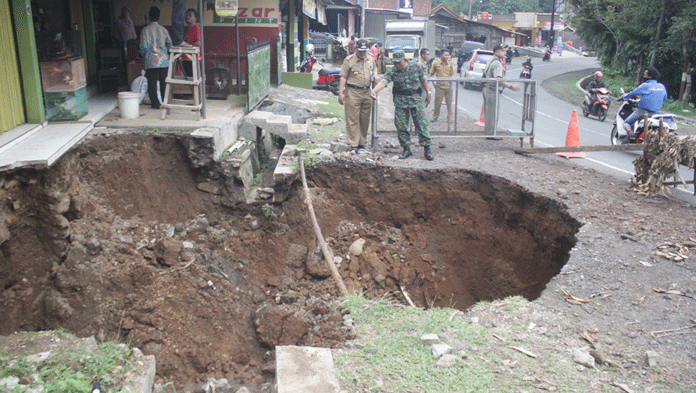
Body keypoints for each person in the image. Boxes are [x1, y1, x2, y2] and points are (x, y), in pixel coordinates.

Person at [371, 50, 434, 161]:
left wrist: (428, 93)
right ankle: (406, 149)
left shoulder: (415, 67)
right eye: (394, 63)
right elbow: (384, 81)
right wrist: (374, 91)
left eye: (398, 63)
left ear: (404, 60)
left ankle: (427, 149)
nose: (396, 65)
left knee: (421, 124)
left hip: (415, 100)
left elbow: (423, 80)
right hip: (401, 101)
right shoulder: (393, 70)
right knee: (401, 126)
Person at [338, 39, 380, 152]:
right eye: (360, 51)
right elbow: (343, 77)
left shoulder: (370, 58)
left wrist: (375, 75)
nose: (362, 53)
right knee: (352, 118)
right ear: (355, 49)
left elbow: (375, 68)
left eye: (364, 51)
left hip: (367, 92)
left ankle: (362, 142)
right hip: (353, 92)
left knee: (365, 118)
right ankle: (353, 144)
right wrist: (341, 92)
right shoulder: (349, 61)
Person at [482, 44, 521, 137]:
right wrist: (511, 87)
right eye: (502, 50)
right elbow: (498, 79)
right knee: (492, 113)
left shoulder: (491, 60)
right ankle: (491, 134)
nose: (505, 52)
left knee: (489, 112)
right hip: (492, 90)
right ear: (496, 52)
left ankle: (489, 132)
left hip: (487, 88)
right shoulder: (497, 63)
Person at [139, 6, 172, 109]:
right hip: (163, 60)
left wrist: (144, 55)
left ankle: (155, 104)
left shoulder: (145, 30)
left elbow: (143, 46)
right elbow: (170, 44)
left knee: (152, 83)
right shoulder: (164, 30)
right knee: (164, 83)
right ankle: (165, 102)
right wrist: (166, 54)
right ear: (159, 16)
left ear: (149, 16)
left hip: (150, 60)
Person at [621, 66, 667, 138]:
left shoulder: (645, 85)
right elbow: (664, 98)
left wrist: (623, 97)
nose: (644, 76)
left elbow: (633, 93)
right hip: (656, 113)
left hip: (643, 111)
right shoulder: (662, 86)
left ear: (650, 76)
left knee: (626, 122)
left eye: (645, 74)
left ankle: (630, 133)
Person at [429, 49, 454, 123]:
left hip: (448, 87)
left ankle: (450, 118)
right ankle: (435, 117)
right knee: (437, 103)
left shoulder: (450, 64)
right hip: (439, 87)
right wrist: (434, 84)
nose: (447, 56)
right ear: (441, 55)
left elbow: (451, 75)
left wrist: (452, 86)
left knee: (449, 103)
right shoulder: (436, 64)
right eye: (445, 55)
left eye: (448, 55)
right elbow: (432, 74)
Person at [181, 8, 201, 79]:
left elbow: (198, 42)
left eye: (190, 15)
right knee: (188, 80)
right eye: (186, 15)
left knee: (195, 80)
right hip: (185, 58)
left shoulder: (197, 28)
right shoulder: (185, 29)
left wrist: (188, 46)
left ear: (195, 18)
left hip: (194, 58)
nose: (187, 17)